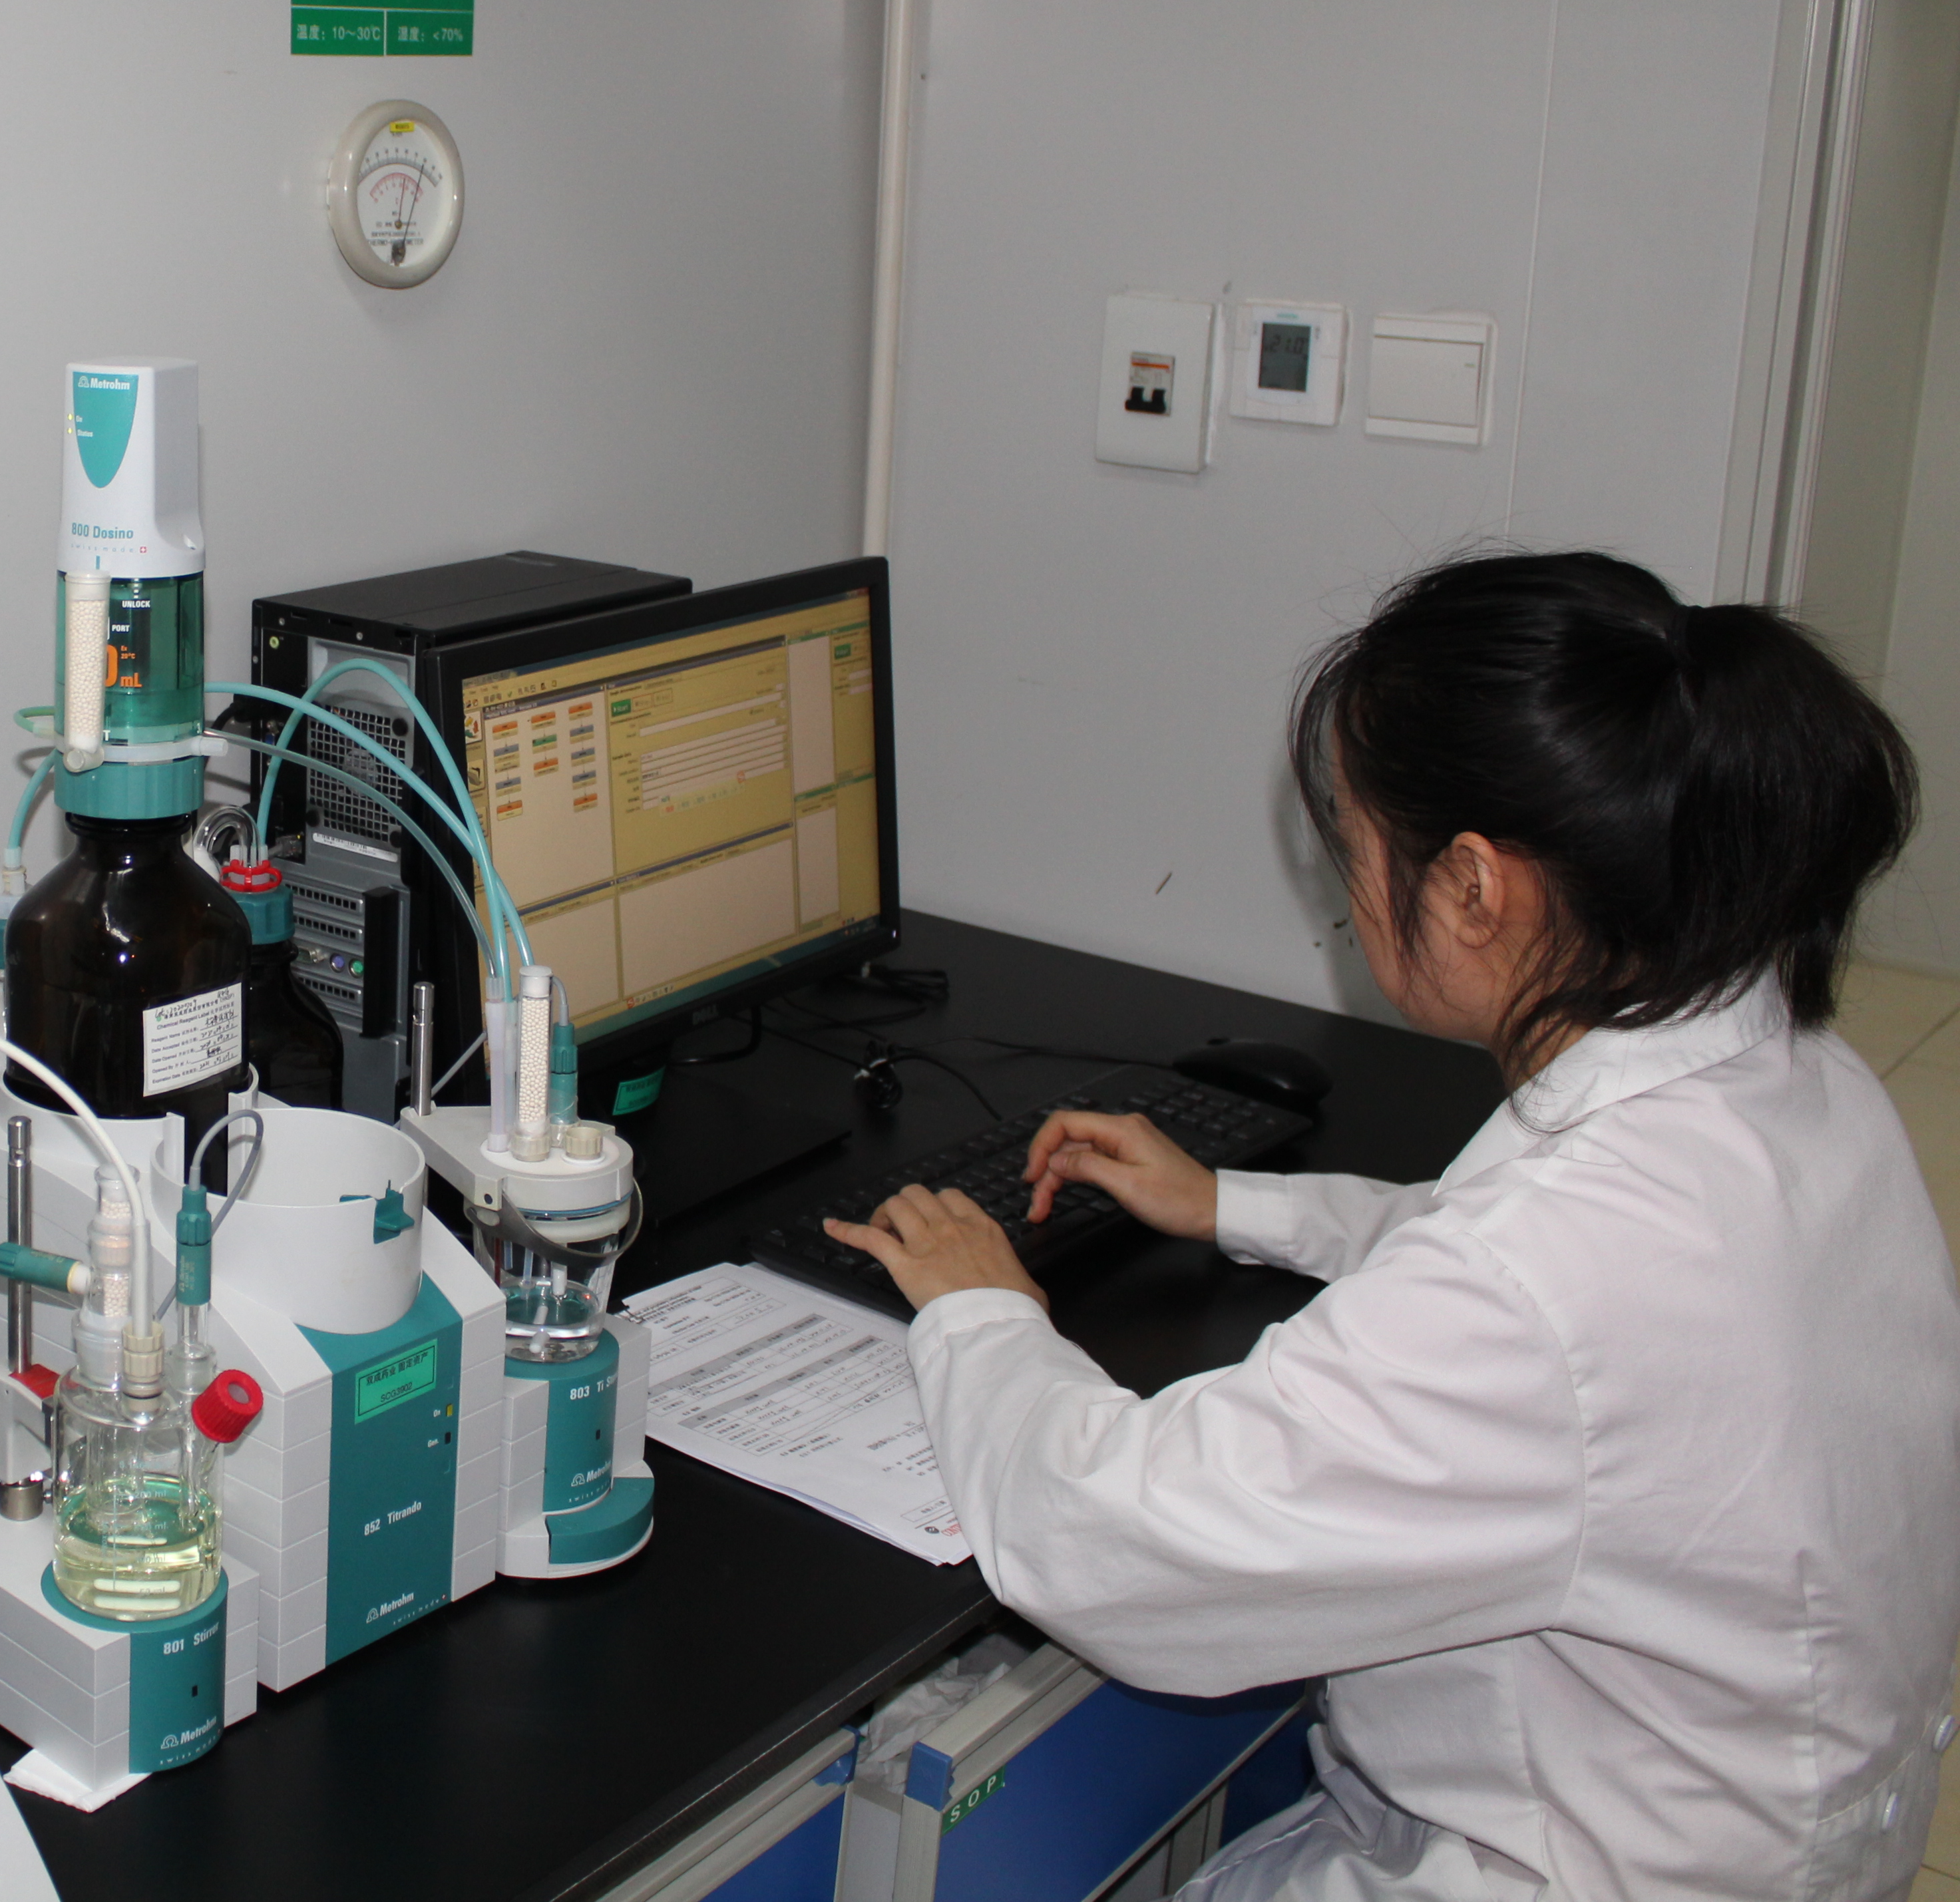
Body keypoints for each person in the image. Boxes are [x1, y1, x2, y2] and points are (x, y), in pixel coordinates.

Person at [826, 550, 1960, 1901]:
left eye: (1355, 852)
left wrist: (982, 1308)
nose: (1347, 903)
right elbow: (1540, 1294)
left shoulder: (1550, 1275)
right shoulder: (1794, 1081)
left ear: (1475, 888)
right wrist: (1234, 1204)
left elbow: (1119, 1544)